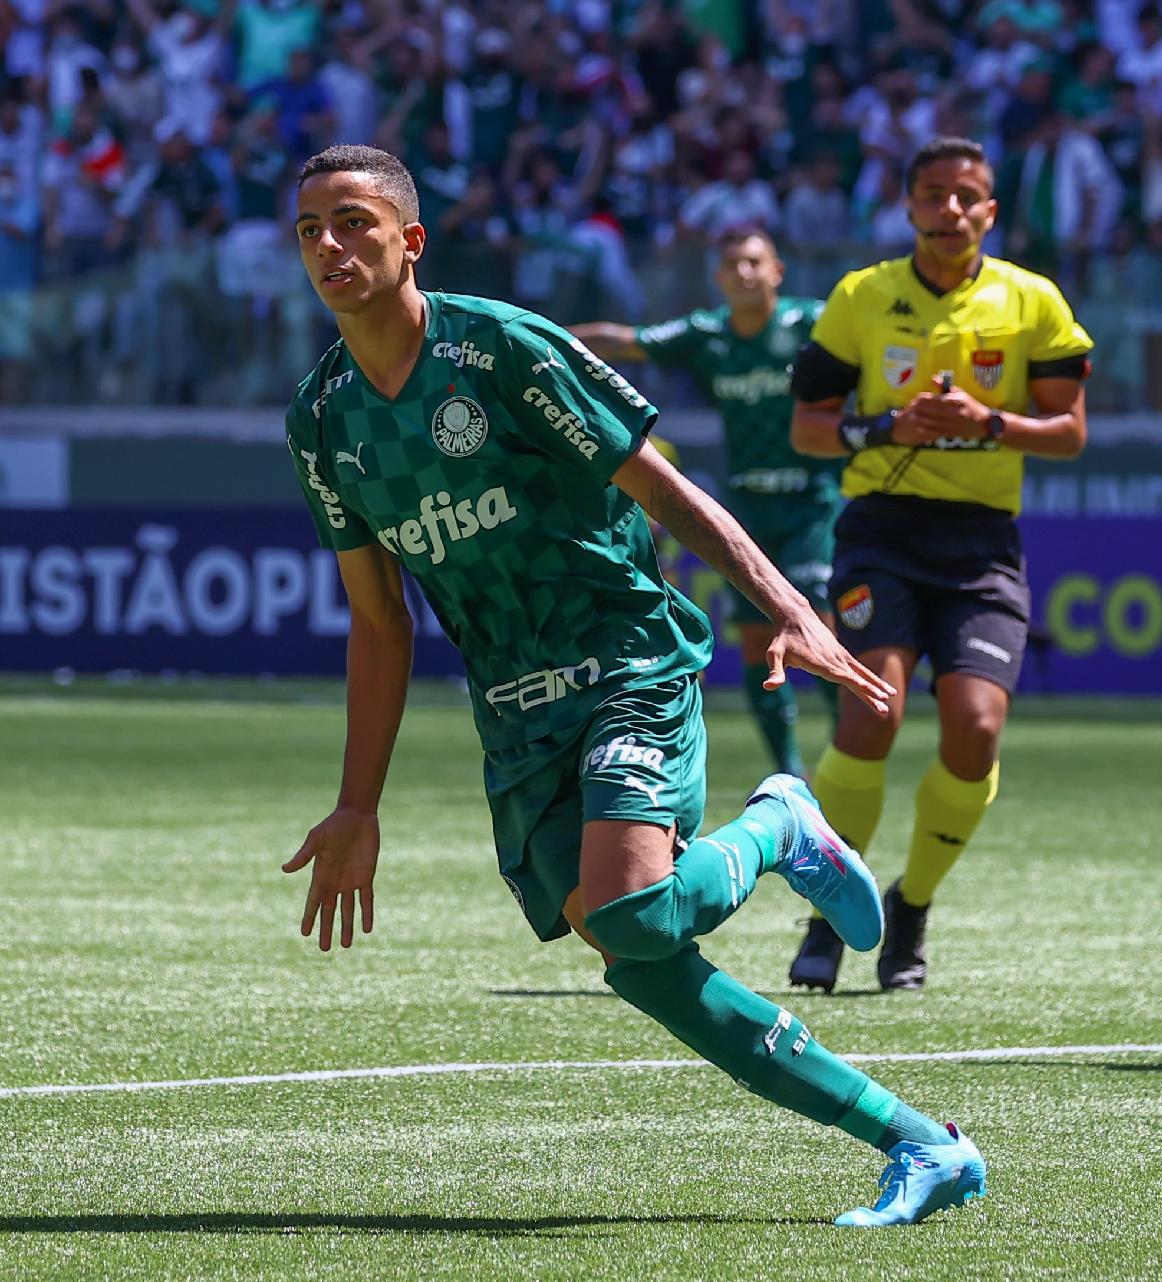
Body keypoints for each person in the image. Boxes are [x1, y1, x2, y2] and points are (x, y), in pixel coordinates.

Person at [278, 144, 986, 1227]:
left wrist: (787, 604)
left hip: (622, 658)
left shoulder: (501, 350)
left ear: (409, 240)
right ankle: (922, 1142)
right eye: (310, 228)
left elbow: (665, 489)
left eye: (354, 223)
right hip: (516, 714)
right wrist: (358, 802)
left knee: (630, 907)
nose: (330, 245)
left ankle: (776, 825)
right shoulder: (323, 419)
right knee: (642, 957)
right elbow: (379, 623)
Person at [784, 136, 1093, 992]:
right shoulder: (862, 296)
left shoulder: (1032, 302)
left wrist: (989, 424)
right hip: (879, 531)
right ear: (910, 206)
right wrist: (886, 429)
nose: (950, 210)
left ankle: (911, 904)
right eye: (934, 195)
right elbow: (808, 426)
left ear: (990, 211)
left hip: (982, 541)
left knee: (977, 729)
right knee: (872, 713)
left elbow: (1068, 431)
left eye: (967, 197)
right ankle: (827, 915)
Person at [569, 229, 843, 777]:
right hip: (748, 506)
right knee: (754, 640)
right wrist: (529, 338)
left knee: (817, 616)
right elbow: (624, 341)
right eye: (733, 263)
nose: (744, 272)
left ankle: (848, 757)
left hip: (812, 502)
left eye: (755, 262)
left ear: (777, 271)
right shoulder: (705, 335)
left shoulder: (813, 323)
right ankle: (791, 770)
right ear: (718, 278)